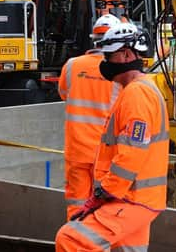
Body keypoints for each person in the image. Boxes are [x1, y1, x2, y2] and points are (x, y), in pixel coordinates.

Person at [55, 23, 169, 252]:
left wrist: (106, 192)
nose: (105, 63)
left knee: (70, 239)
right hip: (141, 198)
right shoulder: (138, 90)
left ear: (127, 54)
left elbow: (132, 152)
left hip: (130, 197)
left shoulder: (137, 94)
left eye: (110, 56)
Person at [57, 14, 122, 220]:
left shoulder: (72, 65)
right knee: (103, 208)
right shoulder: (117, 71)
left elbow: (64, 93)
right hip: (104, 154)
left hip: (76, 150)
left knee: (76, 204)